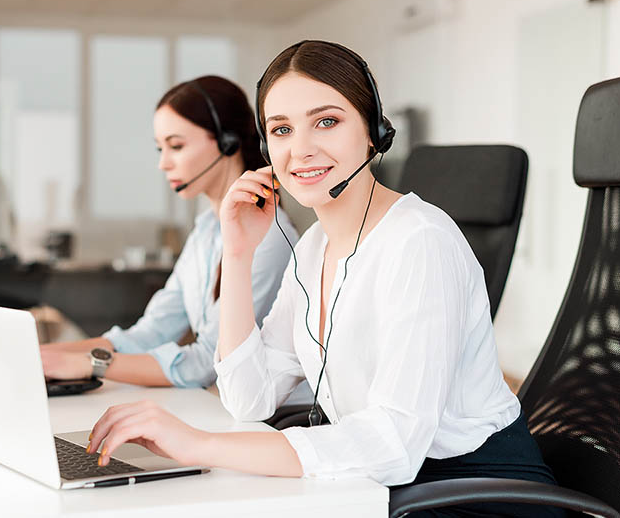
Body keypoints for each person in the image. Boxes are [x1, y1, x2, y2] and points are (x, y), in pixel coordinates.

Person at [82, 41, 562, 517]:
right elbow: (250, 397)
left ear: (373, 131)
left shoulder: (420, 241)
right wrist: (238, 253)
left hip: (475, 495)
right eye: (282, 130)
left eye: (326, 122)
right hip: (381, 486)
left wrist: (199, 445)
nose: (301, 149)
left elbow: (393, 441)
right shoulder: (312, 248)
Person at [40, 75, 300, 390]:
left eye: (176, 145)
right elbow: (151, 333)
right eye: (160, 148)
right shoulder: (205, 233)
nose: (163, 163)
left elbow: (207, 361)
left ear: (227, 142)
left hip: (279, 421)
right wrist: (45, 355)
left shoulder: (268, 237)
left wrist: (89, 363)